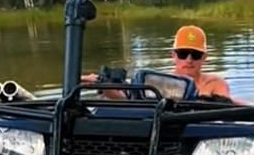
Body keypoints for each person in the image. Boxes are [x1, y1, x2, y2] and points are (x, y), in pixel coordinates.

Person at [81, 25, 245, 104]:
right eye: (183, 54)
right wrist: (103, 84)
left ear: (204, 58)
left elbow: (227, 105)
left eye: (195, 54)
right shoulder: (157, 82)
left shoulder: (215, 84)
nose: (188, 60)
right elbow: (128, 99)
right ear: (173, 56)